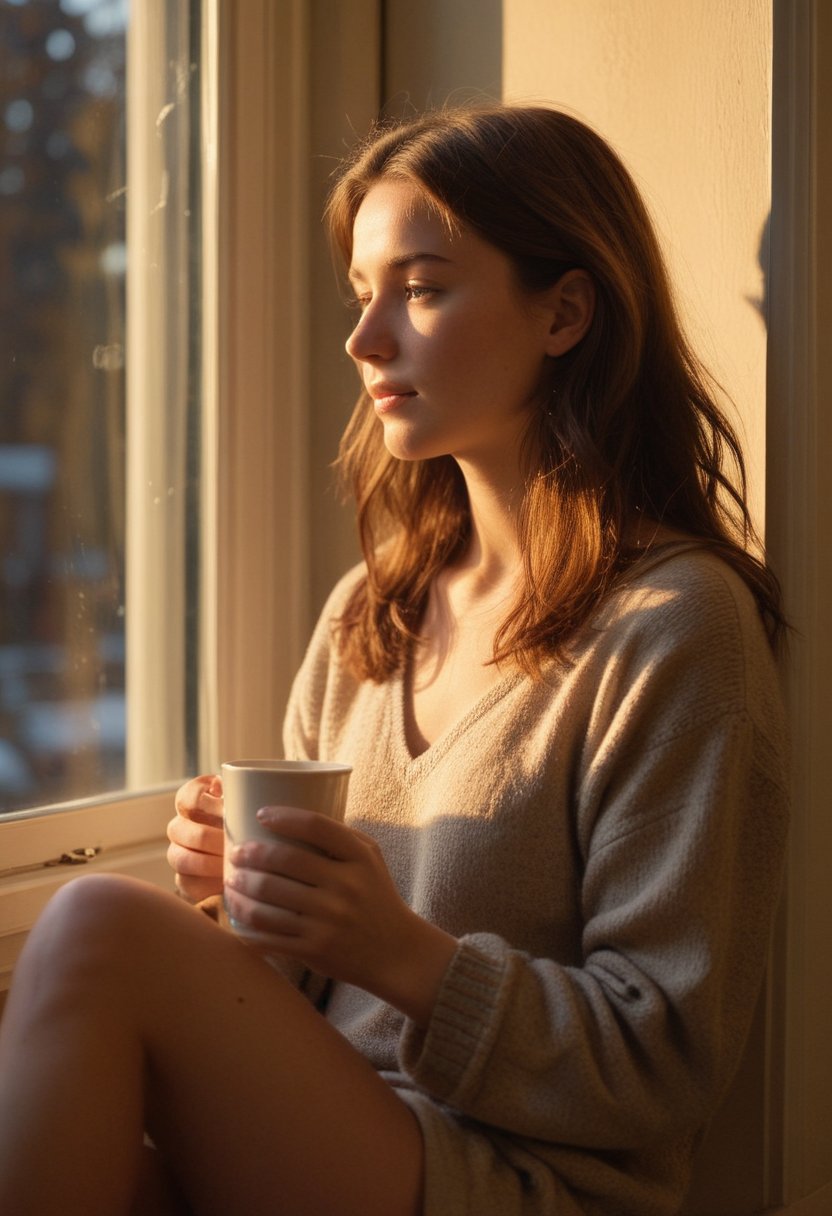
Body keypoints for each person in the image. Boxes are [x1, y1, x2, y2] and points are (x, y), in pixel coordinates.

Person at [0, 104, 788, 1216]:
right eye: (363, 293)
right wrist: (251, 900)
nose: (365, 338)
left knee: (89, 927)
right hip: (334, 1139)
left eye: (419, 289)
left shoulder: (674, 627)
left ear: (564, 311)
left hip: (513, 1179)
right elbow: (316, 998)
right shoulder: (366, 619)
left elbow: (662, 1059)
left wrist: (400, 951)